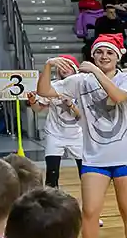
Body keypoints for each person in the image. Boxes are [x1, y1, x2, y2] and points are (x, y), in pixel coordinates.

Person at [38, 36, 127, 238]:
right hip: (95, 157)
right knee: (89, 210)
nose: (104, 56)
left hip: (126, 156)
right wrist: (48, 65)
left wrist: (97, 72)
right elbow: (44, 91)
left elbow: (119, 97)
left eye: (109, 52)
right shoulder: (80, 81)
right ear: (93, 54)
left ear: (118, 56)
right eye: (99, 53)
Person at [29, 57, 85, 189]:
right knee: (52, 174)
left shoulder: (82, 87)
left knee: (86, 174)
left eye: (68, 66)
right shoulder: (51, 87)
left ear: (75, 69)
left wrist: (70, 104)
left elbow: (82, 116)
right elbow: (38, 109)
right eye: (61, 66)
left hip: (78, 135)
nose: (64, 69)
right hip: (55, 134)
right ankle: (51, 202)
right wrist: (32, 102)